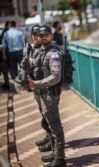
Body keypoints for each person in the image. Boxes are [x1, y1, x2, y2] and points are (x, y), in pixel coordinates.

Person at [27, 25, 66, 167]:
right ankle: (56, 154)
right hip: (42, 93)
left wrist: (36, 84)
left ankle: (60, 159)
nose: (42, 37)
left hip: (50, 95)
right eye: (40, 35)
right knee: (49, 124)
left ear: (51, 36)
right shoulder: (42, 50)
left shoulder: (53, 53)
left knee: (55, 127)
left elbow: (55, 77)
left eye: (45, 35)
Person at [21, 25, 53, 154]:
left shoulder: (45, 48)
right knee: (43, 113)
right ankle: (49, 137)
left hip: (45, 86)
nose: (36, 37)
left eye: (37, 34)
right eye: (34, 34)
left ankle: (52, 143)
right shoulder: (33, 47)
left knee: (49, 116)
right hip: (37, 85)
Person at [0, 21, 10, 90]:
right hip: (2, 57)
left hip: (1, 58)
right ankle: (7, 85)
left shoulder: (2, 35)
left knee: (4, 72)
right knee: (4, 72)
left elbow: (3, 46)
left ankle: (7, 85)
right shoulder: (2, 36)